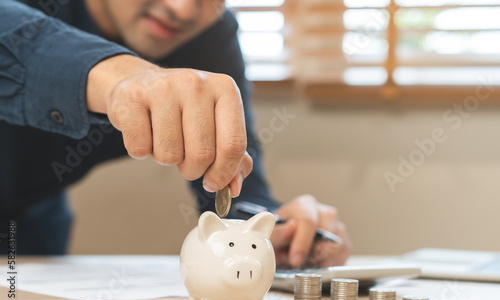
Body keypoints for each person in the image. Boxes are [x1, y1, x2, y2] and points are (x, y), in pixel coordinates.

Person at [0, 0, 351, 268]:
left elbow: (230, 187)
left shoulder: (210, 37)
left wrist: (272, 227)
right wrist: (118, 75)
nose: (182, 10)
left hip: (32, 227)